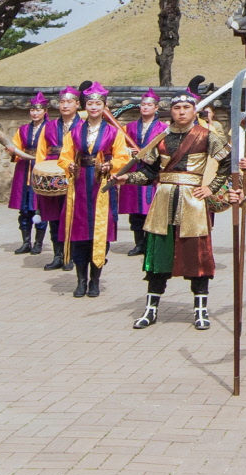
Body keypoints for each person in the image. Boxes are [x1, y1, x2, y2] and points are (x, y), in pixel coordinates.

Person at [128, 84, 224, 331]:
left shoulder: (207, 135)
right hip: (164, 200)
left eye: (186, 108)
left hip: (193, 201)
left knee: (198, 256)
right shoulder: (160, 138)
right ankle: (151, 310)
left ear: (195, 111)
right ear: (170, 111)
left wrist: (211, 187)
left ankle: (201, 311)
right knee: (158, 256)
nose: (181, 112)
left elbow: (226, 162)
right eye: (177, 108)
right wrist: (126, 178)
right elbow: (148, 172)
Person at [57, 86, 132, 297]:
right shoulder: (74, 131)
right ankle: (81, 279)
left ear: (104, 106)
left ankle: (95, 279)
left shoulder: (114, 132)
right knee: (79, 232)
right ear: (84, 106)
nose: (94, 107)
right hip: (80, 185)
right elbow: (65, 155)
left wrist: (111, 166)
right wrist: (68, 165)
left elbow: (122, 158)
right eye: (90, 103)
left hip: (102, 186)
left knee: (100, 232)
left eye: (98, 103)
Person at [0, 94, 52, 255]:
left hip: (42, 168)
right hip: (25, 169)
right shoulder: (23, 129)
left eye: (38, 110)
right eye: (32, 110)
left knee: (40, 207)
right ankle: (26, 241)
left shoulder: (51, 128)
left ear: (45, 111)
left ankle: (38, 242)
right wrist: (12, 151)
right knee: (24, 209)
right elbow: (17, 148)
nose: (35, 113)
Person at [118, 91, 169, 255]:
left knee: (151, 208)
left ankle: (150, 243)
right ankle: (139, 242)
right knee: (135, 210)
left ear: (156, 108)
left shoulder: (164, 129)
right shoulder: (129, 127)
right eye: (143, 104)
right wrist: (129, 151)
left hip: (152, 171)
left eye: (149, 105)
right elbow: (120, 147)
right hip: (134, 170)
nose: (145, 107)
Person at [35, 88, 80, 268]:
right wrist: (40, 173)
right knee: (54, 216)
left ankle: (71, 255)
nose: (65, 105)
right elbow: (41, 153)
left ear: (77, 104)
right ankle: (58, 254)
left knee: (72, 215)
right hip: (52, 173)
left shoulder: (83, 126)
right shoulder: (49, 126)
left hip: (74, 172)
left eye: (69, 102)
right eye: (62, 102)